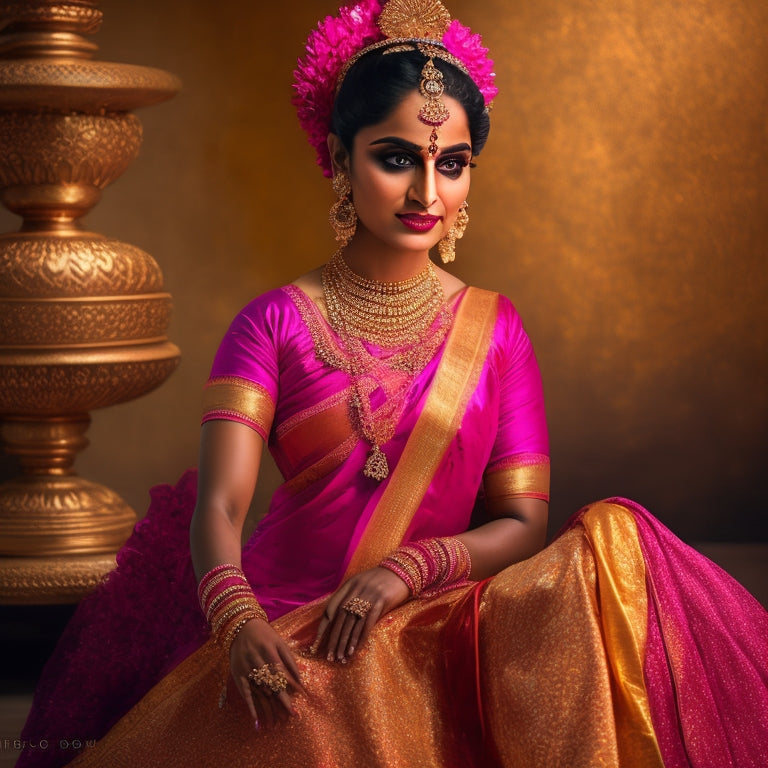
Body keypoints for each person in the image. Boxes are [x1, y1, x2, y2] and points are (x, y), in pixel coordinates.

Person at [17, 1, 768, 766]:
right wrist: (240, 624)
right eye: (397, 157)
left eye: (452, 163)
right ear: (341, 160)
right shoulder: (272, 323)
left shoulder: (496, 328)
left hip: (430, 627)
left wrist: (404, 573)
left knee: (611, 542)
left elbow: (521, 522)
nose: (427, 195)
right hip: (289, 633)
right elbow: (220, 508)